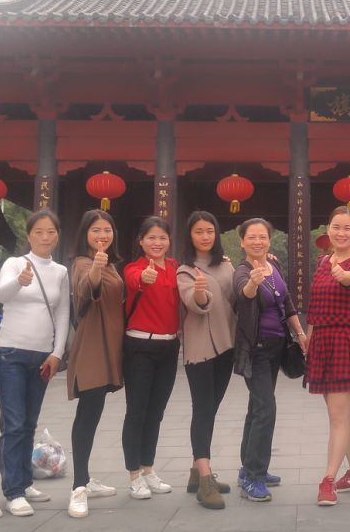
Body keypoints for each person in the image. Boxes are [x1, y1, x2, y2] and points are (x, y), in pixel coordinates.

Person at [0, 210, 70, 517]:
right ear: (29, 235)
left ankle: (24, 482)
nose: (45, 237)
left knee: (28, 423)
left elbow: (63, 314)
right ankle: (13, 491)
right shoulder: (15, 264)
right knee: (13, 424)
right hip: (10, 352)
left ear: (58, 235)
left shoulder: (60, 272)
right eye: (39, 232)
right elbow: (1, 294)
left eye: (51, 232)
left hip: (41, 356)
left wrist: (57, 352)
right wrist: (19, 282)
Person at [234, 218, 307, 502]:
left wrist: (300, 333)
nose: (257, 241)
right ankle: (253, 478)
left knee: (257, 408)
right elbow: (243, 294)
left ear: (269, 240)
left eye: (262, 236)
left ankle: (249, 469)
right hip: (256, 350)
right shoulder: (242, 271)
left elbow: (286, 303)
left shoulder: (274, 267)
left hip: (277, 347)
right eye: (251, 237)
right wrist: (253, 284)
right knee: (266, 409)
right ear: (242, 242)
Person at [308, 206, 350, 506]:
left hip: (344, 341)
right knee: (342, 414)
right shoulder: (322, 261)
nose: (341, 232)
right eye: (336, 227)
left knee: (337, 416)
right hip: (321, 341)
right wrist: (308, 337)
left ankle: (328, 479)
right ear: (328, 230)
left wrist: (343, 274)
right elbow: (315, 305)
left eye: (347, 228)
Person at [65, 209, 124, 518]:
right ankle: (78, 487)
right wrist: (96, 269)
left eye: (107, 230)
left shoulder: (111, 264)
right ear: (85, 234)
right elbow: (86, 288)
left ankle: (85, 478)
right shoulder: (82, 263)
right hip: (91, 346)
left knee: (94, 411)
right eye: (96, 230)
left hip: (109, 344)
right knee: (87, 415)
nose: (102, 235)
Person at [177, 211, 236, 509]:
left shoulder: (226, 265)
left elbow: (239, 294)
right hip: (200, 349)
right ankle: (204, 478)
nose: (205, 236)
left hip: (227, 345)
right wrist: (200, 293)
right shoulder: (185, 270)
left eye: (209, 231)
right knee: (202, 409)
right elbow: (193, 302)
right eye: (199, 231)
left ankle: (195, 472)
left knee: (210, 409)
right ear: (190, 235)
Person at [121, 216, 179, 499]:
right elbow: (134, 280)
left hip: (169, 347)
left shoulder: (176, 267)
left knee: (156, 412)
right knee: (137, 411)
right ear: (141, 241)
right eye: (151, 238)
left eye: (162, 237)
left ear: (169, 241)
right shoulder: (134, 268)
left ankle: (148, 469)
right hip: (140, 346)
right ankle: (134, 475)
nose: (157, 243)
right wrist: (144, 277)